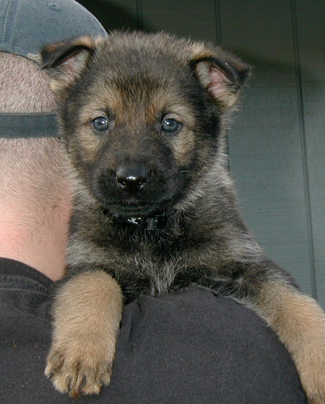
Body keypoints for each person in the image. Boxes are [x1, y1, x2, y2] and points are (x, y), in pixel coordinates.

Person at [0, 1, 308, 403]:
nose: (130, 167)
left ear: (218, 88)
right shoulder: (239, 360)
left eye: (168, 125)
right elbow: (91, 273)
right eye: (102, 123)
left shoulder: (212, 219)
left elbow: (258, 279)